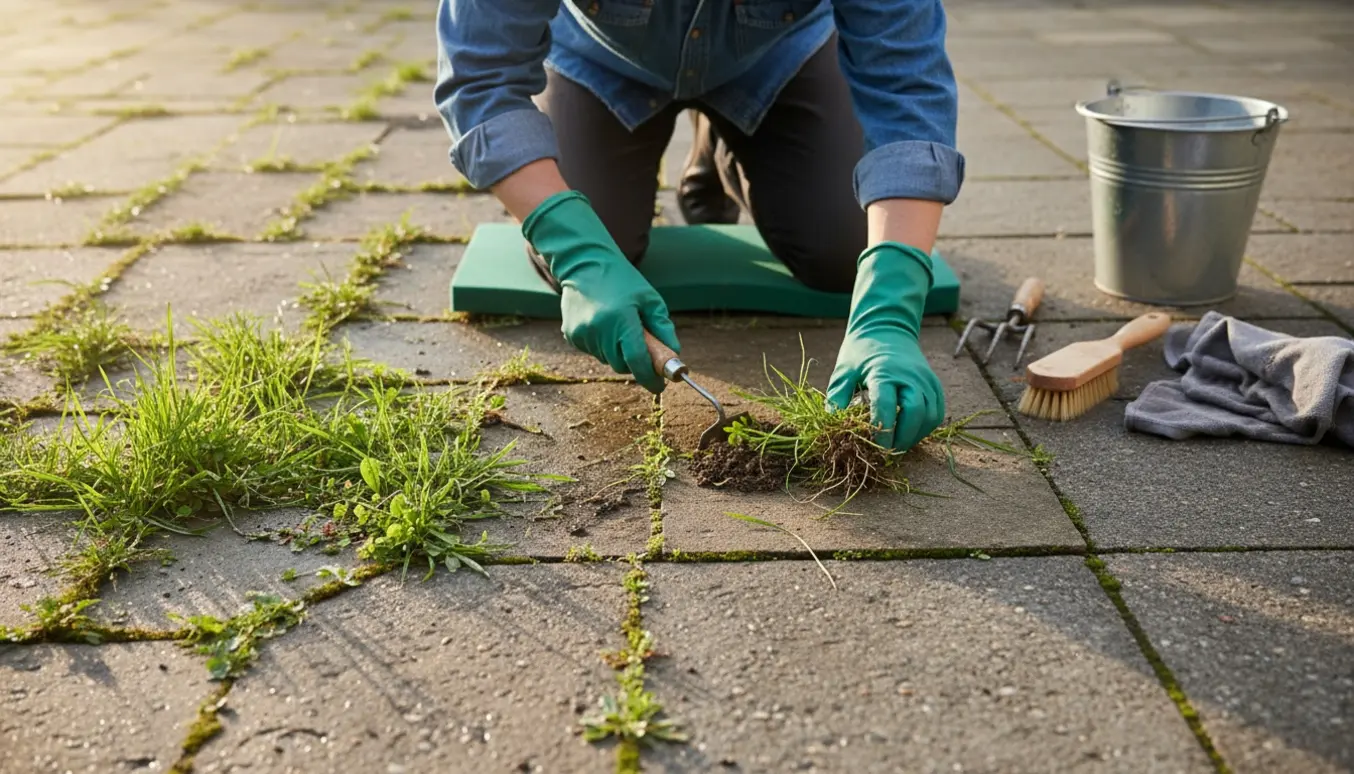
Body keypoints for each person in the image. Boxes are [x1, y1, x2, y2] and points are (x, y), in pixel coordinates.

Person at [433, 1, 965, 452]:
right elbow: (481, 80)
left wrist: (890, 312)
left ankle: (724, 143)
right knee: (603, 236)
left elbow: (908, 90)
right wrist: (576, 252)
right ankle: (697, 138)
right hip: (602, 62)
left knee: (844, 248)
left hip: (778, 58)